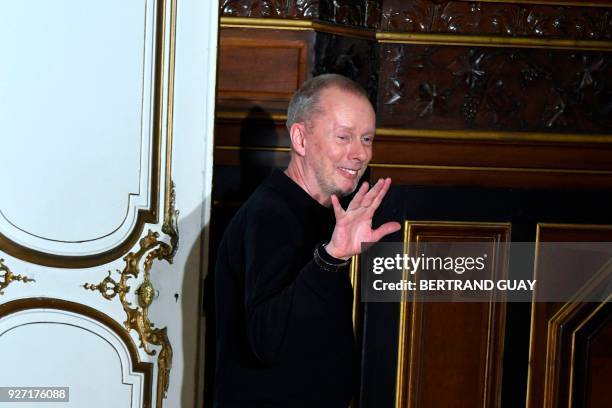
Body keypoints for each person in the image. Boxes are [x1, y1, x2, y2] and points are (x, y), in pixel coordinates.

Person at [213, 74, 400, 407]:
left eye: (367, 138)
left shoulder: (319, 214)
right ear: (300, 139)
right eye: (344, 136)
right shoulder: (269, 215)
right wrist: (331, 259)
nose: (359, 153)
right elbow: (267, 341)